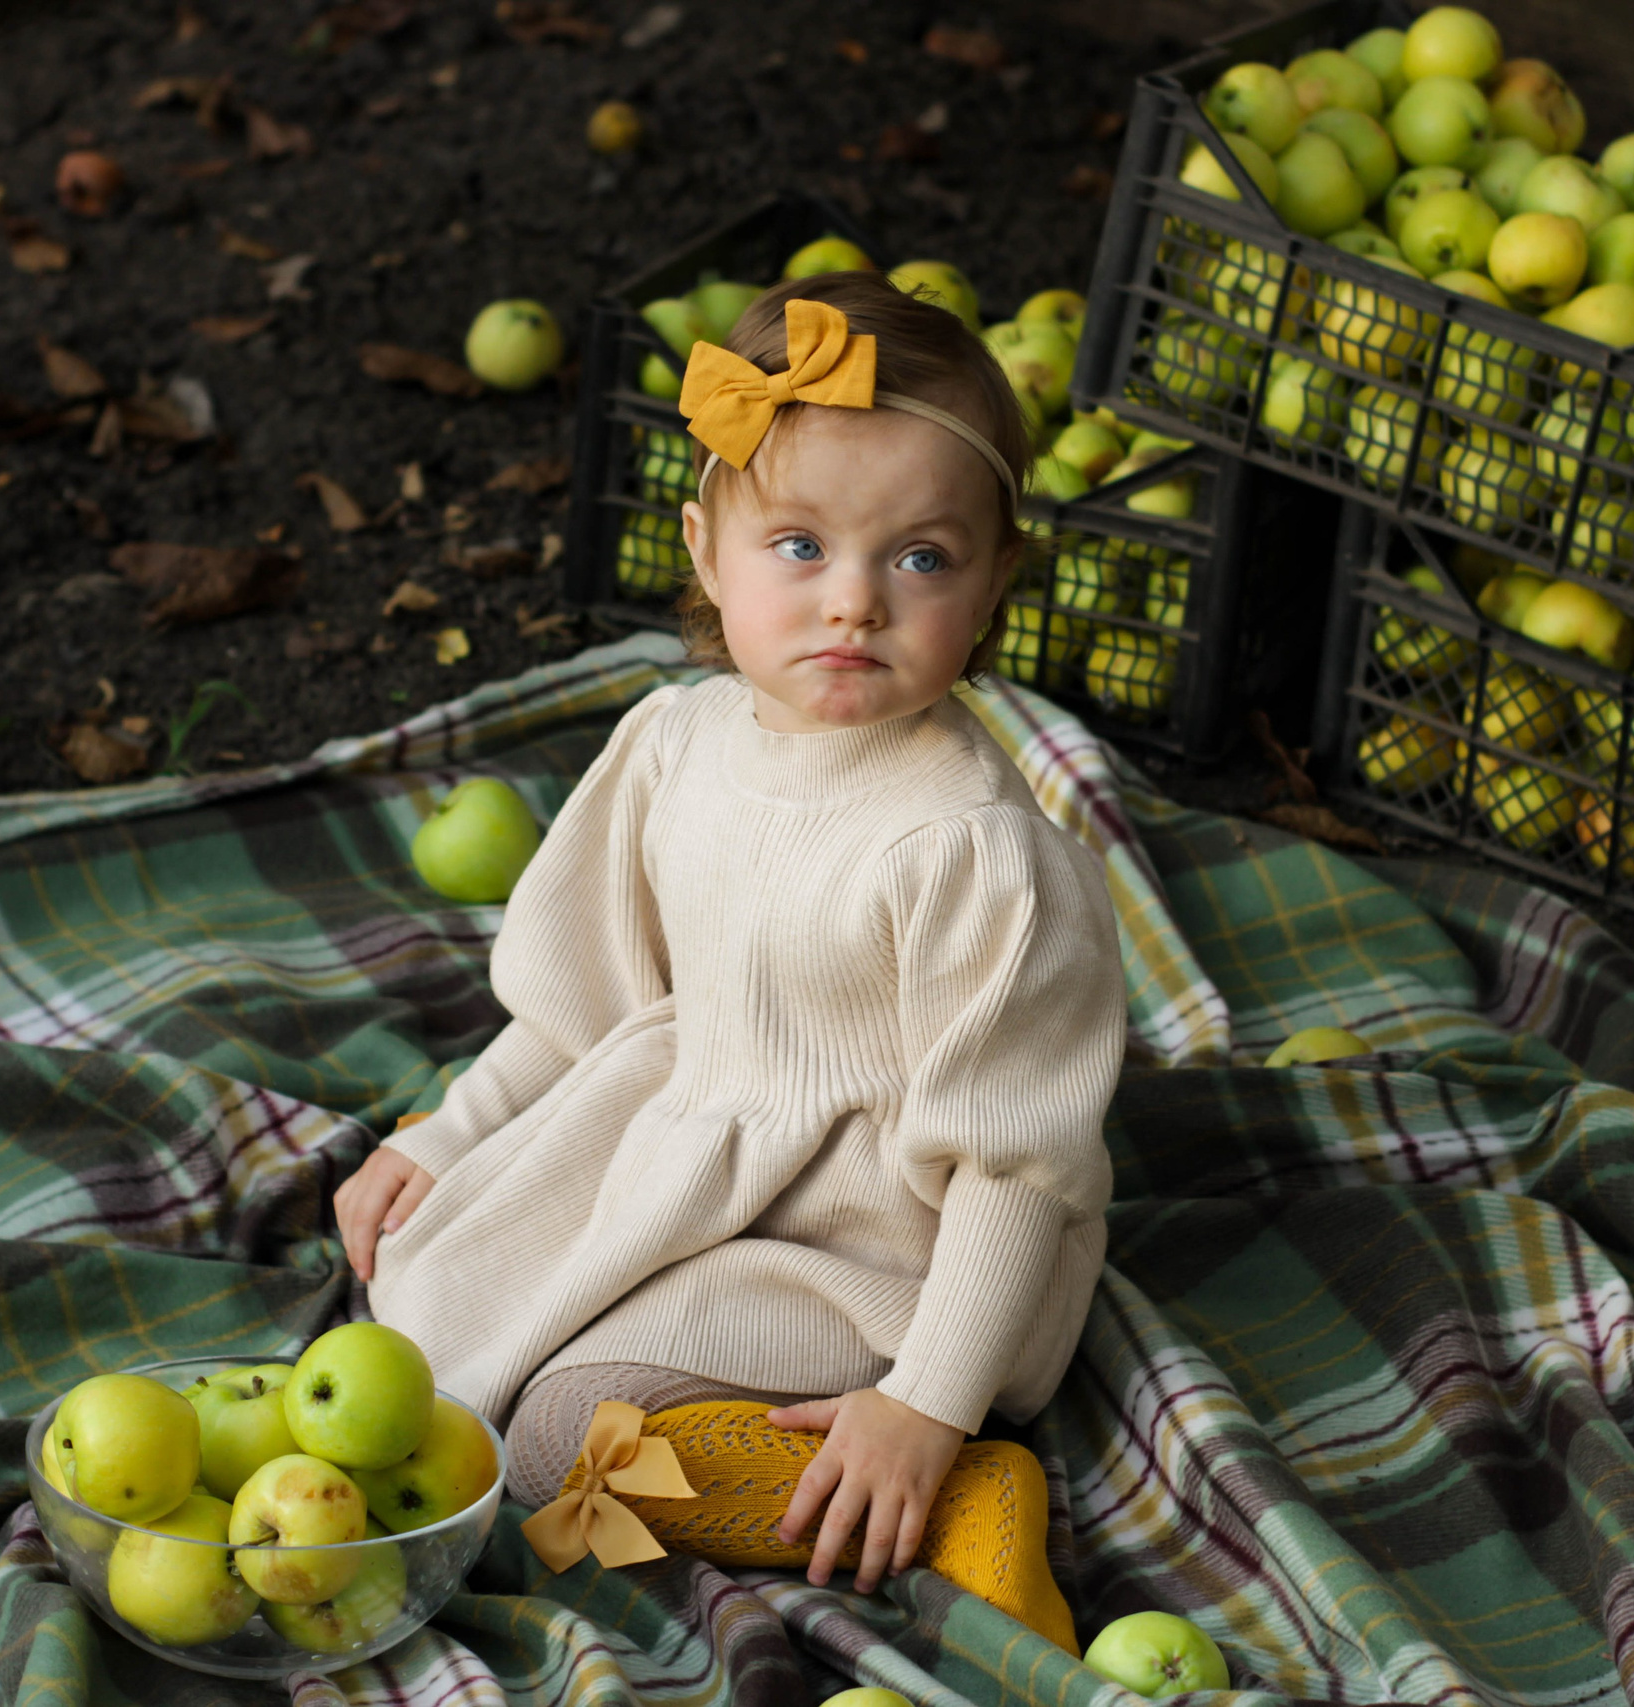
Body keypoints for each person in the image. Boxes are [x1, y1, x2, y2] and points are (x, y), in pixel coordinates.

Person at [333, 270, 1126, 1652]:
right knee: (426, 1294)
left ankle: (958, 1501)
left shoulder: (968, 848)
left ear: (998, 576)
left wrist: (928, 1401)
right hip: (694, 1149)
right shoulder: (674, 745)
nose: (855, 605)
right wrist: (450, 1135)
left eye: (923, 559)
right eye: (802, 546)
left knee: (560, 1434)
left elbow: (1012, 1172)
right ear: (707, 550)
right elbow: (588, 1007)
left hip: (892, 1246)